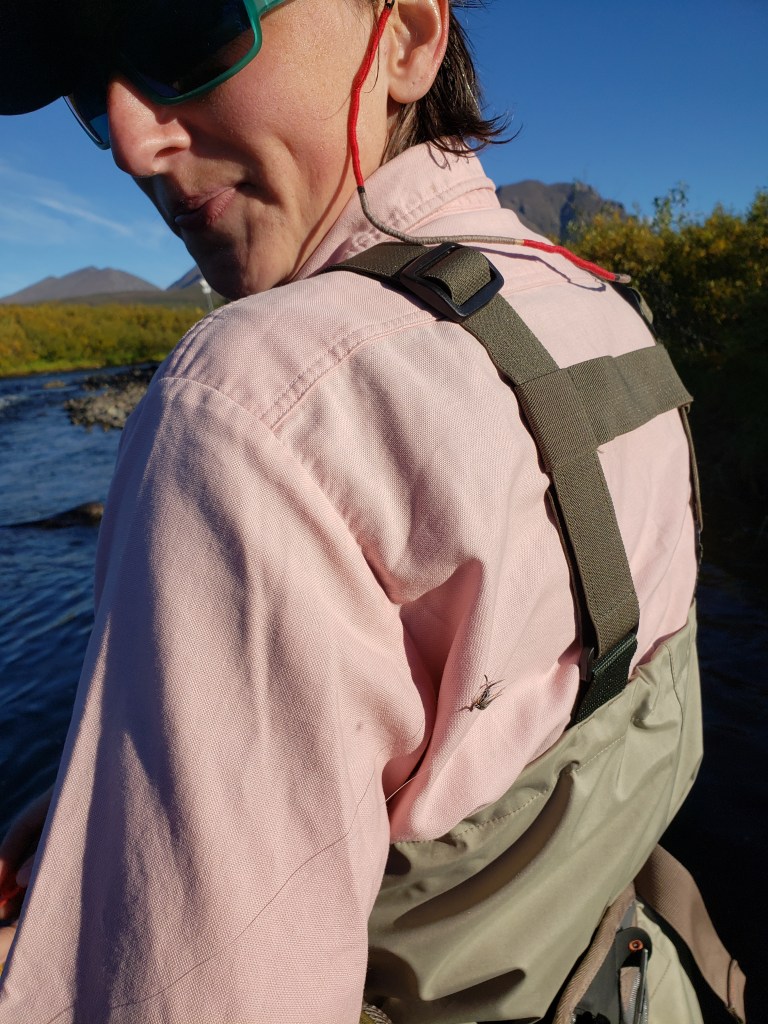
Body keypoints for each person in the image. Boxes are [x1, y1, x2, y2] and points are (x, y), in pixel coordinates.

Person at [0, 1, 743, 1022]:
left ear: (406, 38)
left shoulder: (246, 405)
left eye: (181, 39)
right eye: (92, 92)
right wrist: (129, 797)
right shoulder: (600, 307)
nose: (130, 142)